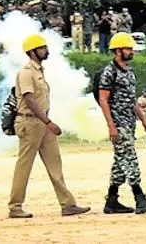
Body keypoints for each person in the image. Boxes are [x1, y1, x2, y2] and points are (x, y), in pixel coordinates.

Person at [8, 34, 90, 219]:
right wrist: (48, 122)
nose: (46, 50)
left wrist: (46, 122)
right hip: (30, 122)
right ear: (32, 51)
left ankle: (68, 204)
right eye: (42, 48)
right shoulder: (26, 72)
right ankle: (15, 206)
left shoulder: (39, 71)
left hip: (41, 122)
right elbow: (29, 100)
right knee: (24, 165)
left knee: (55, 163)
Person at [96, 32, 146, 215]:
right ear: (117, 51)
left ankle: (111, 200)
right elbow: (103, 99)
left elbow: (132, 100)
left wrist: (144, 120)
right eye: (128, 48)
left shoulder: (129, 72)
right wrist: (111, 125)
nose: (131, 51)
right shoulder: (109, 72)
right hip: (118, 123)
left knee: (120, 162)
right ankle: (140, 198)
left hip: (129, 122)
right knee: (130, 158)